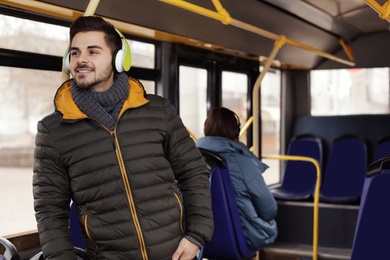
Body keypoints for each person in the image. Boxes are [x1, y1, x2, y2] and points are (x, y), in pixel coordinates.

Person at [33, 16, 213, 260]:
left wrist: (197, 235)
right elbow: (49, 211)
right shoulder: (52, 131)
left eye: (93, 51)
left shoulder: (158, 111)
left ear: (118, 59)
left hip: (175, 254)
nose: (81, 60)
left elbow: (194, 171)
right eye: (74, 53)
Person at [196, 107, 277, 250]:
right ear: (236, 132)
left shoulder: (190, 158)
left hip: (197, 238)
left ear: (205, 128)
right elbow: (268, 208)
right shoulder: (243, 163)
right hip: (241, 237)